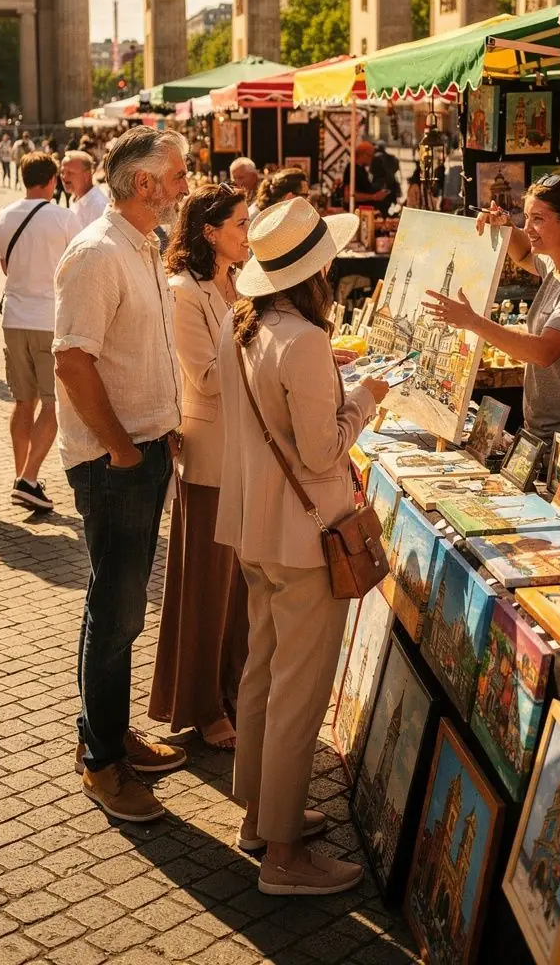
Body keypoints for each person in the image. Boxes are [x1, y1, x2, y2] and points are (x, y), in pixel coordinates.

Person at [215, 197, 389, 895]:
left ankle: (261, 813)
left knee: (263, 670)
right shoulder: (303, 338)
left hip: (257, 525)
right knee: (297, 691)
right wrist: (367, 397)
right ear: (316, 270)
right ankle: (283, 853)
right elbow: (320, 452)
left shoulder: (247, 324)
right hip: (303, 532)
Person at [53, 127, 190, 823]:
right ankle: (101, 760)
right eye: (179, 175)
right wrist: (123, 449)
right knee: (114, 615)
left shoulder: (142, 245)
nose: (186, 187)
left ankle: (110, 733)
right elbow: (72, 360)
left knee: (124, 611)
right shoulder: (97, 253)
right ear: (145, 185)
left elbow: (142, 352)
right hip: (116, 463)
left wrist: (162, 424)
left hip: (142, 449)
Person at [149, 183, 250, 750]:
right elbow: (206, 379)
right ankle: (200, 705)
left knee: (237, 587)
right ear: (209, 232)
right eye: (239, 223)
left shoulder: (235, 282)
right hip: (210, 451)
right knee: (207, 588)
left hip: (243, 449)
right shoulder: (183, 291)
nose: (247, 232)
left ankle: (231, 689)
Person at [424, 174, 560, 444]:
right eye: (526, 218)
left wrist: (472, 321)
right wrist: (504, 226)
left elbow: (543, 352)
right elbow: (524, 255)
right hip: (546, 434)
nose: (527, 228)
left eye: (538, 219)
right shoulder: (555, 265)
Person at [0, 152, 82, 512]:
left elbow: (3, 263)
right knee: (52, 403)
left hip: (14, 317)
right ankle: (28, 479)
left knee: (22, 401)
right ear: (51, 181)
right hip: (48, 318)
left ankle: (22, 476)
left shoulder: (3, 216)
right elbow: (77, 266)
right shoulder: (64, 218)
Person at [60, 151, 109, 229]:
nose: (64, 177)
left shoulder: (98, 205)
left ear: (87, 175)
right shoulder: (73, 199)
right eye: (62, 172)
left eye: (70, 172)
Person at [370, 140, 401, 207]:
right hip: (392, 186)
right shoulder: (393, 158)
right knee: (391, 210)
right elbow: (396, 169)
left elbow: (372, 171)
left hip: (378, 188)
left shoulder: (375, 158)